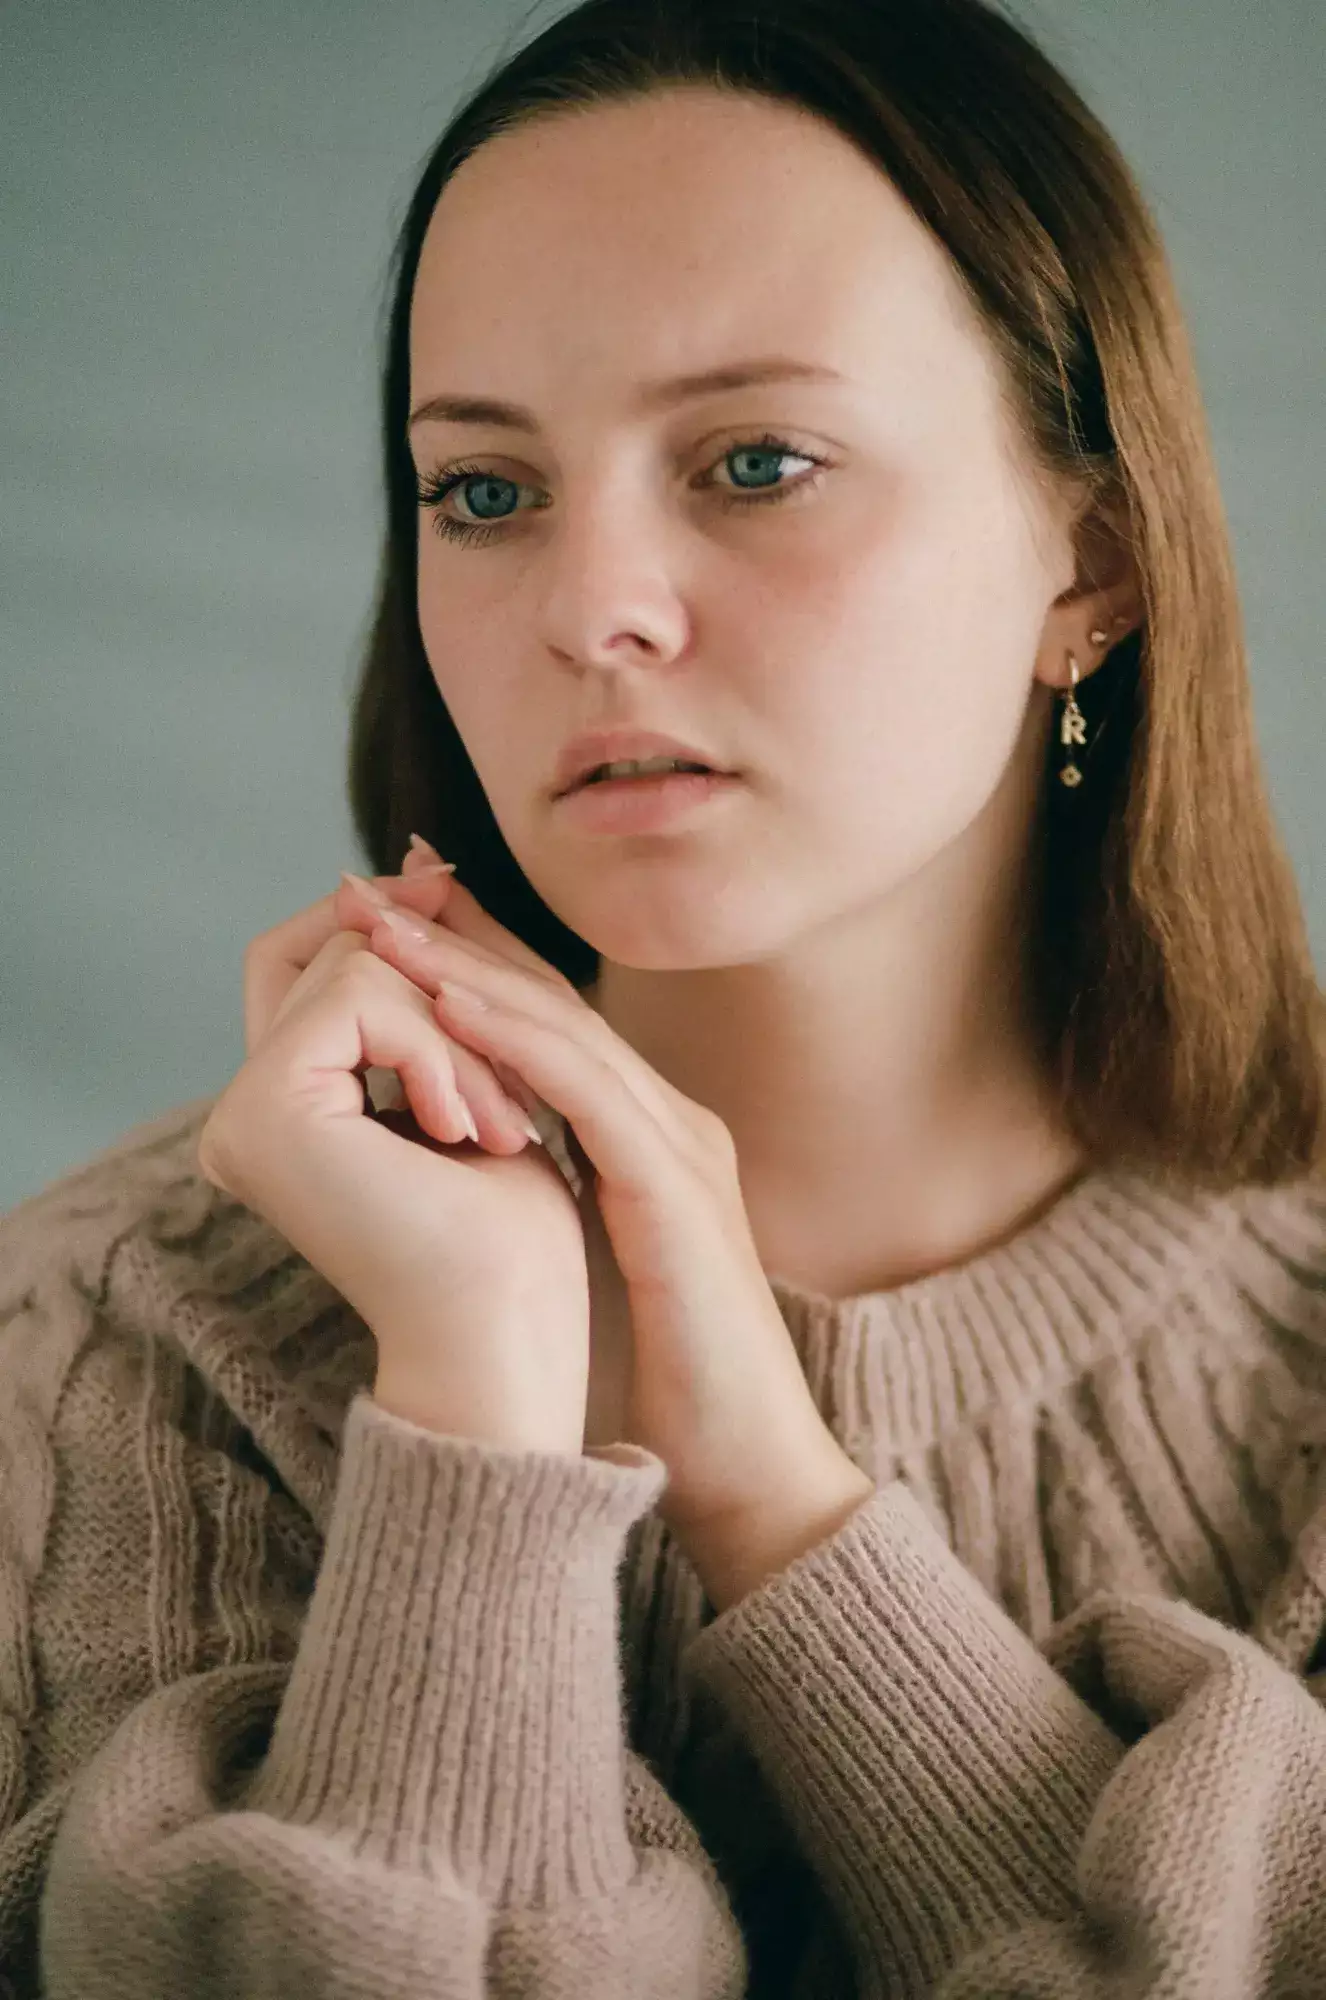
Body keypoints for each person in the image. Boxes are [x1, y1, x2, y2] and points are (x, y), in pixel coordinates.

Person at [2, 0, 1324, 1991]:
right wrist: (473, 1413)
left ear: (1096, 561)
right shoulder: (103, 1350)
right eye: (486, 490)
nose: (585, 603)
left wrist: (782, 1504)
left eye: (756, 459)